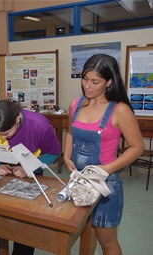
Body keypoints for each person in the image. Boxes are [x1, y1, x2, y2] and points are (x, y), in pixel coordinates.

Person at [63, 54, 144, 255]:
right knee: (84, 236)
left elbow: (137, 147)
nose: (87, 86)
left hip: (105, 186)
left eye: (95, 81)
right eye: (85, 79)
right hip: (79, 183)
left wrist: (106, 169)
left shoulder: (120, 110)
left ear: (109, 82)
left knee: (107, 242)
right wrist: (66, 156)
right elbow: (71, 133)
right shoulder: (76, 104)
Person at [0, 100, 61, 255]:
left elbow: (53, 152)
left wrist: (29, 168)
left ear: (18, 120)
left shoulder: (40, 125)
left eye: (6, 134)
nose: (3, 138)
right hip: (3, 175)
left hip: (31, 176)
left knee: (25, 227)